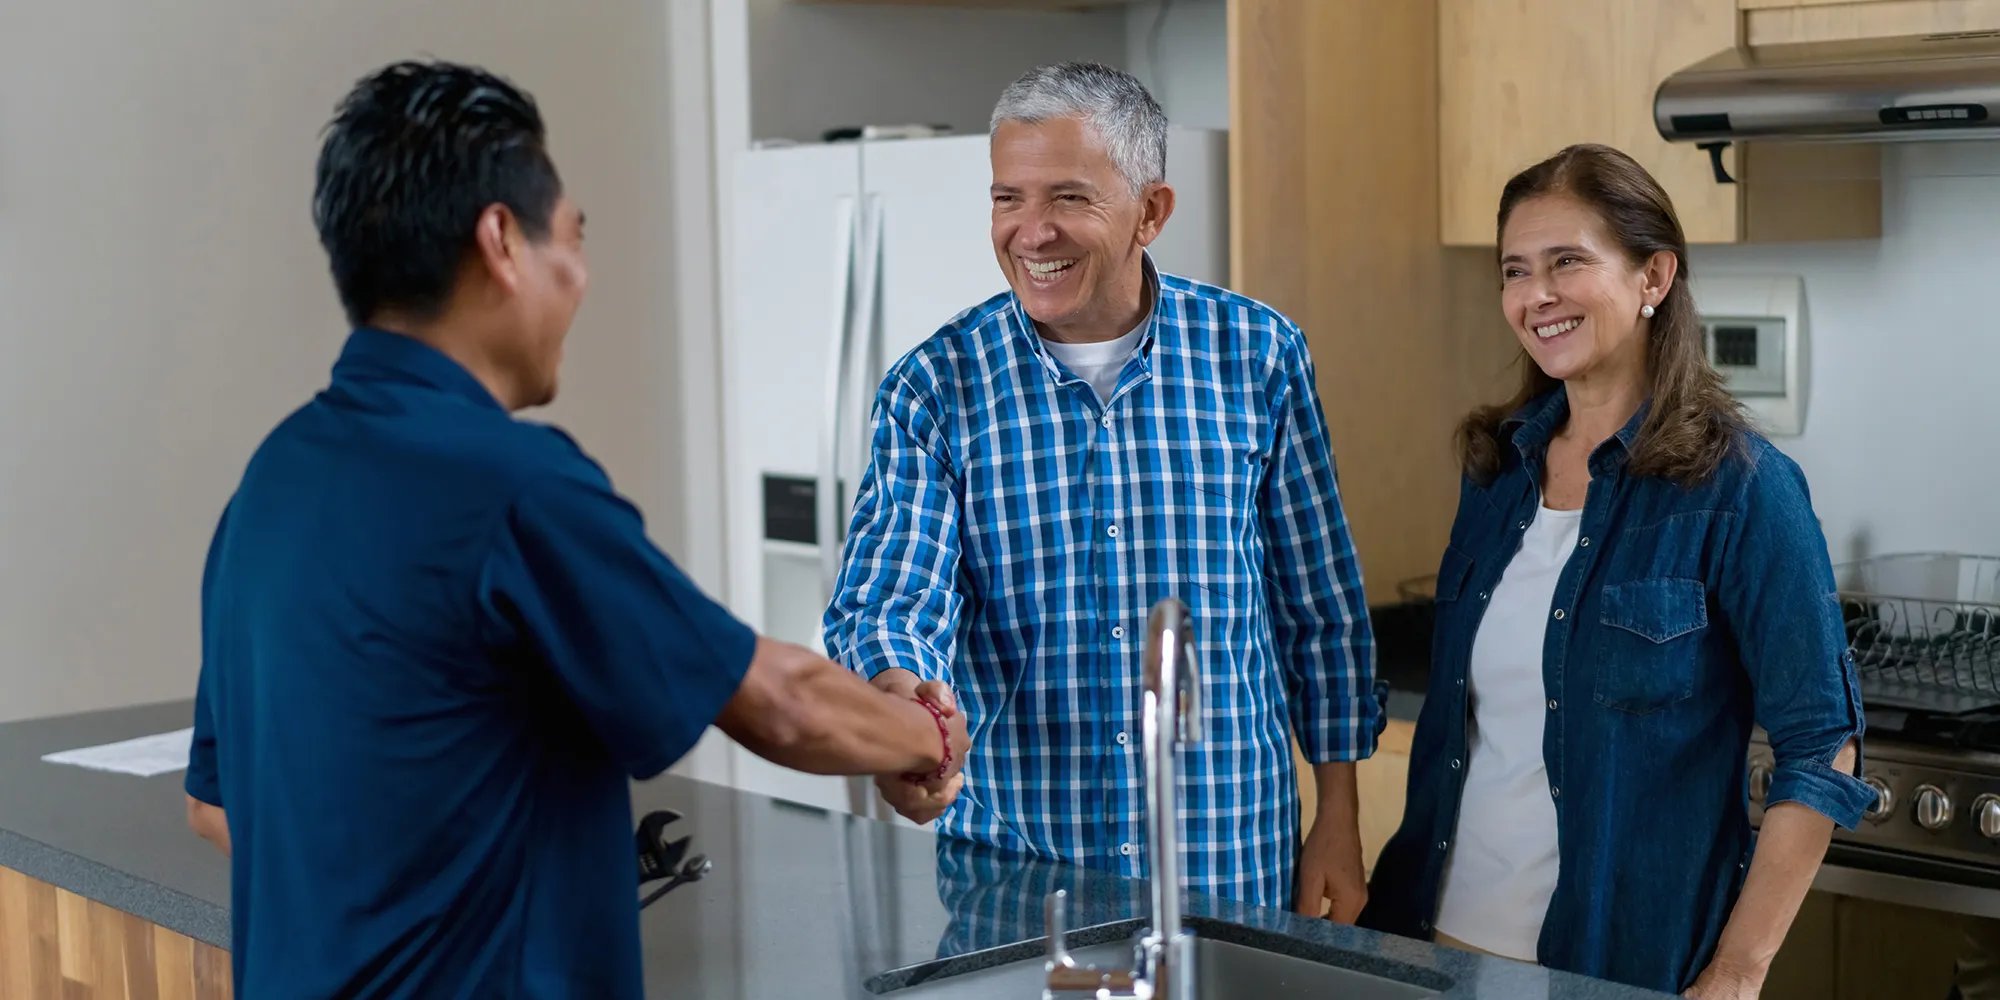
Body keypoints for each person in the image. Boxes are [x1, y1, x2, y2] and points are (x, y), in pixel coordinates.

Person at [181, 59, 968, 1000]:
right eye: (575, 238)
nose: (583, 276)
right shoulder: (510, 485)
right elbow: (777, 699)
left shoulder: (271, 483)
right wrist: (922, 733)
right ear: (502, 241)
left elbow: (216, 809)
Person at [822, 61, 1380, 917]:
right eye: (1008, 199)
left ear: (1151, 212)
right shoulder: (936, 387)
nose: (1030, 232)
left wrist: (1338, 817)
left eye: (1068, 199)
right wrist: (904, 707)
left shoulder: (1258, 355)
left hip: (1228, 868)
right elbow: (892, 597)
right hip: (1020, 882)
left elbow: (1319, 605)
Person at [1358, 143, 1871, 999]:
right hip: (1431, 945)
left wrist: (1739, 973)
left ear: (1653, 277)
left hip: (1617, 964)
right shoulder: (1495, 471)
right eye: (1516, 271)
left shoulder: (1742, 489)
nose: (1537, 295)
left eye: (1568, 262)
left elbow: (1823, 748)